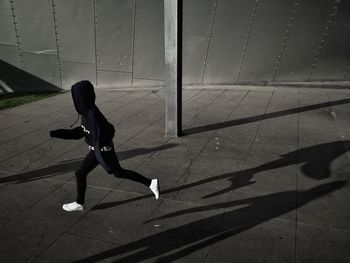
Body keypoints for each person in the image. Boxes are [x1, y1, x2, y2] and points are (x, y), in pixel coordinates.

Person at [50, 80, 159, 212]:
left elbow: (100, 138)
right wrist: (56, 133)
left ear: (81, 98)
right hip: (98, 149)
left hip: (102, 150)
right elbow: (81, 132)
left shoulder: (93, 115)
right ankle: (80, 203)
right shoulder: (86, 113)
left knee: (115, 173)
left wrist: (105, 164)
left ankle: (151, 183)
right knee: (83, 173)